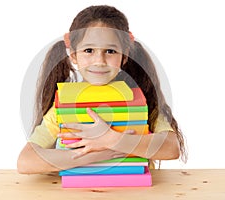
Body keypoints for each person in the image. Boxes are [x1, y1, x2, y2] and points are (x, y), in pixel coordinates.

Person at [17, 5, 187, 174]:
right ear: (74, 55)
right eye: (89, 50)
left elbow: (171, 148)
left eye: (110, 51)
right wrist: (96, 154)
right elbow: (26, 162)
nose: (99, 60)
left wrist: (111, 139)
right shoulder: (64, 107)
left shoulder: (141, 101)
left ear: (124, 55)